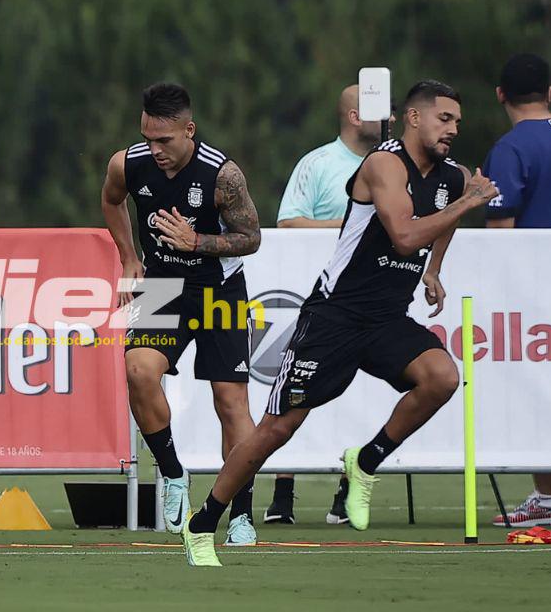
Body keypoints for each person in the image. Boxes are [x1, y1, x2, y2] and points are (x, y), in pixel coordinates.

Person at [182, 80, 499, 566]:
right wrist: (466, 204)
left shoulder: (451, 177)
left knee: (442, 377)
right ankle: (203, 523)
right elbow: (404, 237)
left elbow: (443, 220)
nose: (454, 128)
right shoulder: (384, 165)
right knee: (275, 430)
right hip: (334, 316)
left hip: (386, 318)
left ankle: (365, 461)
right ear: (413, 118)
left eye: (457, 121)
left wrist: (435, 270)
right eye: (445, 119)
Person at [101, 83, 261, 545]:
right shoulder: (126, 164)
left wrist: (198, 243)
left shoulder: (223, 175)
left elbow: (250, 237)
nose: (156, 150)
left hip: (221, 291)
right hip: (162, 285)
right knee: (137, 370)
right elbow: (111, 201)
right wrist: (129, 257)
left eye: (165, 141)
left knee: (231, 403)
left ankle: (242, 515)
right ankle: (172, 474)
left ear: (189, 130)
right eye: (148, 138)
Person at [270, 85, 392, 526]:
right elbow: (288, 220)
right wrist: (352, 224)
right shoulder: (318, 164)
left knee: (358, 396)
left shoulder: (399, 163)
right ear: (356, 116)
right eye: (383, 112)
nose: (392, 119)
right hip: (321, 295)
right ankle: (283, 493)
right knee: (298, 389)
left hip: (372, 299)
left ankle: (346, 490)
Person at [484, 53, 551, 527]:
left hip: (532, 293)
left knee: (531, 388)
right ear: (550, 93)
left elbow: (502, 232)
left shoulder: (509, 149)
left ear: (501, 95)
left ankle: (549, 498)